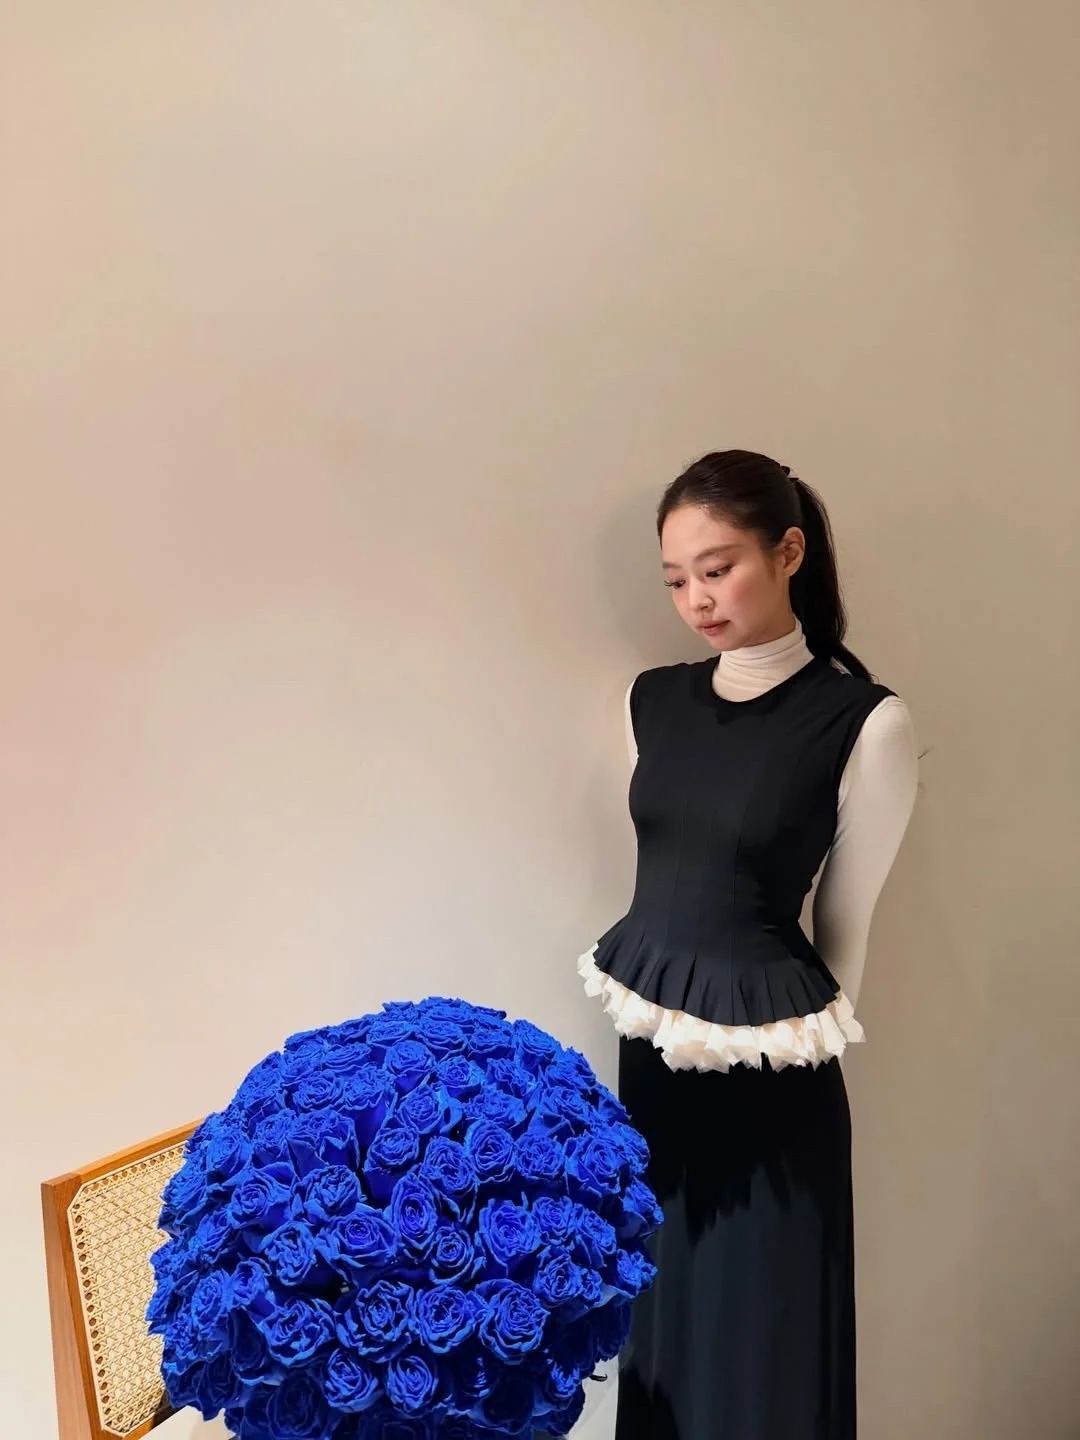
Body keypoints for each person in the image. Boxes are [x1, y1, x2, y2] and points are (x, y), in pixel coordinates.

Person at [579, 450, 918, 1440]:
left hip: (772, 1086)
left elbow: (844, 936)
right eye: (676, 580)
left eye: (718, 569)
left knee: (763, 1338)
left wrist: (786, 1056)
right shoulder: (651, 701)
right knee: (662, 1322)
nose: (697, 599)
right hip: (652, 1063)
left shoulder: (866, 724)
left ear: (789, 552)